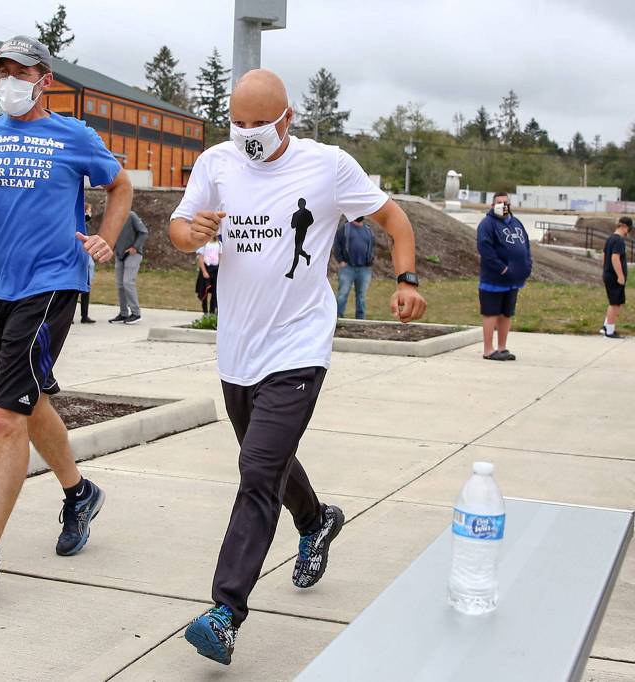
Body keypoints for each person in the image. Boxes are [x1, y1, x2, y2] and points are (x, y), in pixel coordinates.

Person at [168, 69, 426, 666]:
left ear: (288, 119)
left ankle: (224, 612)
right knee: (270, 462)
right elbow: (181, 228)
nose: (249, 134)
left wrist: (407, 278)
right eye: (239, 123)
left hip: (299, 347)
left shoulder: (327, 164)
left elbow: (396, 220)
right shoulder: (216, 163)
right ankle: (316, 520)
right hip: (237, 351)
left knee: (256, 471)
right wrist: (192, 235)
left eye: (262, 123)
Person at [0, 36, 133, 595]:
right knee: (29, 398)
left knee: (5, 414)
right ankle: (79, 492)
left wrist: (105, 239)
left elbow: (120, 185)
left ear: (44, 78)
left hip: (52, 282)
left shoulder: (74, 135)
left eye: (19, 72)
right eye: (1, 72)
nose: (7, 82)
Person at [476, 192, 531, 360]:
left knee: (506, 314)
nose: (503, 205)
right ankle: (488, 349)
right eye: (499, 202)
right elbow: (485, 250)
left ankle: (502, 347)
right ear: (492, 206)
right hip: (494, 279)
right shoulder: (487, 224)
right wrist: (502, 269)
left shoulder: (516, 223)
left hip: (514, 280)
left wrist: (527, 266)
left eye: (505, 202)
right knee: (491, 313)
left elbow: (526, 245)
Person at [107, 210, 148, 324]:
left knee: (128, 282)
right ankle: (123, 313)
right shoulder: (113, 217)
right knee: (120, 285)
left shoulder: (131, 215)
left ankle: (136, 313)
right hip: (119, 254)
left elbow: (143, 232)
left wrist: (135, 247)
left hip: (133, 254)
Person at [333, 216, 376, 319]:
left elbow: (372, 246)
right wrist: (341, 261)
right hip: (348, 268)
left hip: (364, 269)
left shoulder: (368, 230)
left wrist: (371, 260)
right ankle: (338, 318)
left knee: (361, 297)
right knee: (342, 294)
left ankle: (361, 320)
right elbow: (337, 245)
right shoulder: (345, 229)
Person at [601, 216, 631, 338]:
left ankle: (606, 326)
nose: (628, 232)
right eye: (629, 229)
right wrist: (620, 276)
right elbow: (615, 258)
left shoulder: (610, 239)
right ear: (624, 227)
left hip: (608, 274)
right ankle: (610, 332)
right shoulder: (618, 240)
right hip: (614, 276)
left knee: (615, 302)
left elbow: (604, 256)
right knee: (615, 303)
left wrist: (605, 269)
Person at [77, 203, 96, 324]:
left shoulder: (85, 223)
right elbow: (87, 217)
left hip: (85, 253)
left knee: (86, 285)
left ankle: (85, 315)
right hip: (77, 252)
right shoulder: (78, 218)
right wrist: (87, 210)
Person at [196, 235, 221, 315]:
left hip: (215, 269)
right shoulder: (203, 244)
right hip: (206, 268)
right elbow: (200, 258)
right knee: (204, 292)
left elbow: (220, 257)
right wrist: (204, 271)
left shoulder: (219, 244)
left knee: (215, 293)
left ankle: (212, 312)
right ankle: (205, 312)